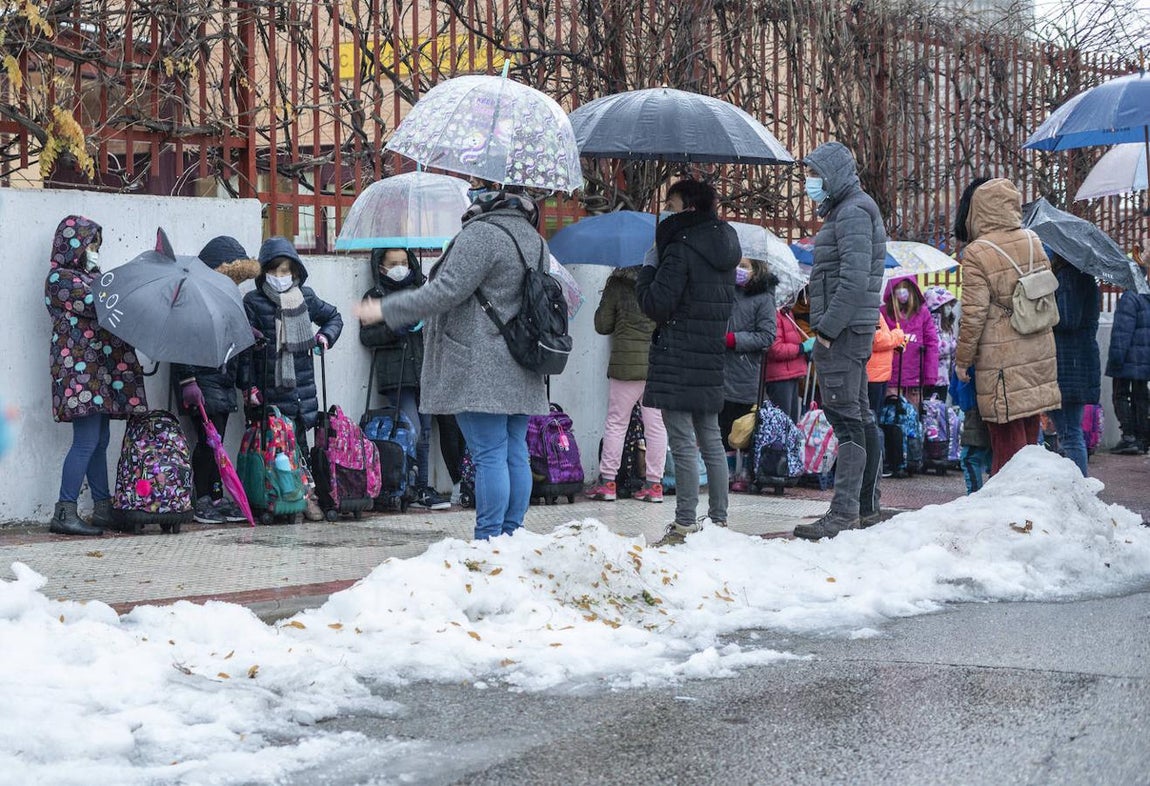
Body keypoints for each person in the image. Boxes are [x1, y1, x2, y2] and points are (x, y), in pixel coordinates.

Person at [354, 188, 548, 540]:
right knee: (514, 450)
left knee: (489, 453)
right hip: (523, 360)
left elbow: (445, 291)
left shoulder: (482, 235)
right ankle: (513, 534)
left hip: (481, 364)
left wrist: (387, 308)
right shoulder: (534, 238)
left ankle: (489, 538)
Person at [792, 142, 887, 541]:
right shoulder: (848, 209)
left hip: (844, 332)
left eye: (815, 174)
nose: (810, 182)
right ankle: (864, 507)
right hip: (850, 328)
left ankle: (845, 511)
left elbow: (853, 279)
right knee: (858, 415)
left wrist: (827, 331)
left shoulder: (852, 211)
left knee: (846, 418)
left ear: (833, 175)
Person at [636, 178, 739, 544]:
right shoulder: (726, 243)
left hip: (678, 355)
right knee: (711, 440)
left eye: (672, 204)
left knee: (681, 442)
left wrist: (649, 267)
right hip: (709, 354)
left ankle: (683, 525)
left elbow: (656, 303)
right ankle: (719, 521)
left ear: (690, 207)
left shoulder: (680, 246)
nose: (668, 211)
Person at [45, 215, 149, 535]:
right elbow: (100, 304)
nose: (94, 251)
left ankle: (103, 507)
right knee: (86, 440)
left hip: (98, 374)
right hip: (79, 374)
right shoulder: (61, 280)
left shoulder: (93, 278)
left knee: (100, 440)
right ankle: (65, 511)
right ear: (73, 245)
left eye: (96, 246)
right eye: (90, 245)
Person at [952, 177, 1061, 475]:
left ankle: (1012, 504)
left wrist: (962, 361)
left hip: (1000, 361)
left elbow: (973, 315)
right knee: (1029, 443)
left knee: (1006, 456)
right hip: (1038, 354)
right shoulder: (1033, 241)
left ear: (978, 209)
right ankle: (1033, 501)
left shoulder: (977, 252)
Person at [239, 236, 344, 520]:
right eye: (274, 270)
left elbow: (333, 317)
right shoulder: (253, 302)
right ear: (264, 272)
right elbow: (244, 352)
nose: (280, 276)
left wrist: (324, 337)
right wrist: (249, 387)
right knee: (278, 450)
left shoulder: (305, 297)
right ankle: (281, 498)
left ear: (295, 271)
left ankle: (305, 498)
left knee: (300, 445)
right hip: (269, 391)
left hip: (301, 389)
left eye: (285, 270)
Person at [173, 236, 260, 524]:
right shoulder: (193, 300)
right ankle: (202, 497)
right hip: (201, 381)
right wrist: (188, 380)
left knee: (217, 440)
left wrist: (249, 337)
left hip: (222, 380)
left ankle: (216, 495)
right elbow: (183, 339)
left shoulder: (229, 300)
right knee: (207, 442)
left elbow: (236, 341)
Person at [358, 247, 451, 510]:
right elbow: (367, 336)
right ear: (381, 267)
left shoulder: (422, 292)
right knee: (412, 429)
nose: (400, 268)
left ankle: (421, 486)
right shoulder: (375, 297)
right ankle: (406, 484)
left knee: (425, 431)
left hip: (425, 372)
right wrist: (394, 328)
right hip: (396, 375)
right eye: (393, 263)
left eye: (404, 262)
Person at [585, 264, 668, 504]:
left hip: (625, 367)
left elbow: (602, 325)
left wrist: (606, 297)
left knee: (616, 423)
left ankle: (608, 482)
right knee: (656, 426)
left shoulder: (618, 285)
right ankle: (654, 485)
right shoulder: (660, 282)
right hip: (654, 365)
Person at [720, 256, 777, 491]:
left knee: (744, 424)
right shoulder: (726, 290)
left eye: (744, 266)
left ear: (757, 269)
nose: (738, 270)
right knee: (723, 424)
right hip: (721, 369)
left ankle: (744, 473)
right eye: (736, 264)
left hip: (746, 371)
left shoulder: (764, 298)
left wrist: (734, 340)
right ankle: (726, 473)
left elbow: (767, 336)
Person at [1048, 253, 1101, 476]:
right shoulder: (1083, 276)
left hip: (1068, 364)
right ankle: (1078, 483)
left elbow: (1066, 318)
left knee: (1069, 434)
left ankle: (1079, 485)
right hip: (1076, 363)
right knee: (1070, 432)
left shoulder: (1069, 276)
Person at [1106, 244, 1150, 455]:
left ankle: (1129, 436)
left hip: (1127, 359)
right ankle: (1142, 438)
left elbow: (1122, 332)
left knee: (1120, 395)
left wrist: (1115, 360)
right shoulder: (1146, 296)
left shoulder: (1129, 297)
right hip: (1144, 359)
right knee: (1141, 397)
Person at [881, 276, 938, 406]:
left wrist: (930, 376)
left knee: (912, 415)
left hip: (915, 379)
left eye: (905, 288)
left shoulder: (922, 313)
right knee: (891, 415)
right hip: (890, 378)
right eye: (898, 288)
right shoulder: (883, 313)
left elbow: (931, 345)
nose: (902, 292)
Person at [764, 296, 809, 425]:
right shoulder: (775, 314)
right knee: (783, 425)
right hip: (779, 377)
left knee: (791, 424)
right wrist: (801, 348)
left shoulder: (787, 313)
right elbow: (775, 349)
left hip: (791, 374)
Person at [866, 312, 906, 427]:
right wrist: (897, 336)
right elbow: (876, 340)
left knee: (876, 417)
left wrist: (895, 346)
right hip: (873, 376)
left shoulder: (874, 311)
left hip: (880, 374)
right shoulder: (870, 311)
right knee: (872, 418)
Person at [923, 285, 959, 401]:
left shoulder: (947, 325)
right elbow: (935, 348)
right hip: (932, 378)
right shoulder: (930, 324)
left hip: (945, 377)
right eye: (946, 305)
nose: (949, 308)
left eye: (950, 305)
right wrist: (955, 346)